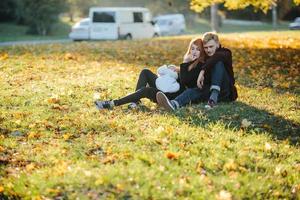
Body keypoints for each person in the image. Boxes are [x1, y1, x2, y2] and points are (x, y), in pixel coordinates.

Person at [94, 37, 206, 110]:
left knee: (145, 91)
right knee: (145, 72)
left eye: (198, 49)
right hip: (166, 87)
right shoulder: (189, 63)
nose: (194, 52)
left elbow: (186, 81)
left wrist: (183, 65)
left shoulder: (200, 65)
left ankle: (111, 104)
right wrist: (178, 68)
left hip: (169, 96)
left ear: (202, 52)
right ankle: (135, 102)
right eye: (192, 49)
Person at [156, 32, 238, 111]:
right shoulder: (206, 57)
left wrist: (203, 71)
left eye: (211, 46)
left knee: (218, 63)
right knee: (194, 90)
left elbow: (216, 57)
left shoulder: (225, 52)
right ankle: (174, 104)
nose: (208, 50)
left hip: (225, 90)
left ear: (217, 43)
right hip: (209, 90)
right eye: (206, 47)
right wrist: (183, 65)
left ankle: (214, 96)